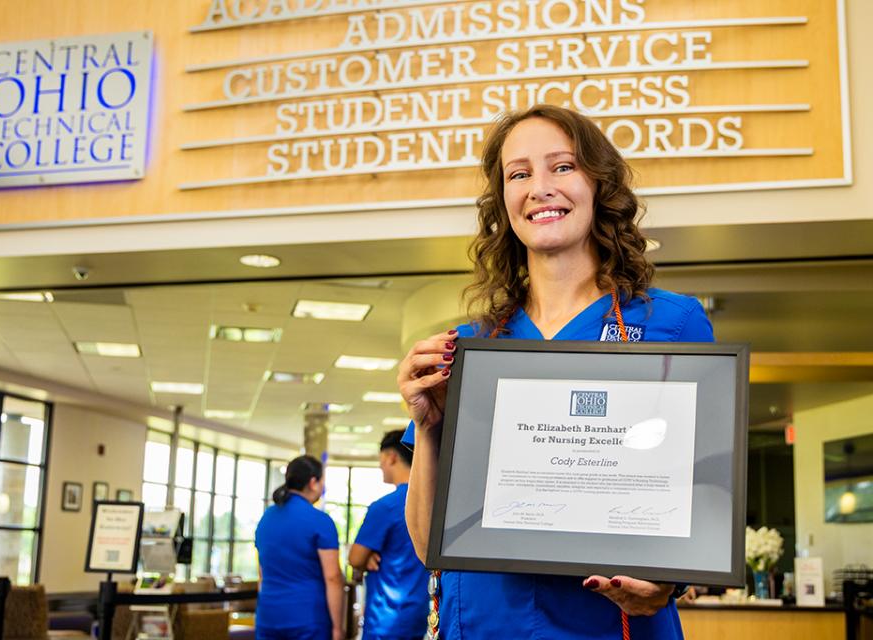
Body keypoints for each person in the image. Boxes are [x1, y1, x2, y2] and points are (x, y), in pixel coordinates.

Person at [397, 105, 714, 639]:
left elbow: (704, 494)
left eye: (562, 167)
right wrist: (428, 423)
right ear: (503, 201)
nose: (540, 187)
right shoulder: (470, 348)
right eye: (518, 174)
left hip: (607, 625)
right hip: (482, 622)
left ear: (598, 184)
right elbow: (432, 545)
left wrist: (667, 582)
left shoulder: (671, 324)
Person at [348, 430, 428, 640]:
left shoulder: (385, 507)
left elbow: (355, 558)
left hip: (386, 619)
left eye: (381, 459)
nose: (380, 466)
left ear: (391, 457)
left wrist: (367, 556)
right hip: (418, 614)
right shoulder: (431, 504)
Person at [254, 455, 344, 640]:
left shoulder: (266, 518)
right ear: (313, 482)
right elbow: (333, 578)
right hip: (307, 619)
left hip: (268, 616)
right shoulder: (320, 521)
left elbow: (262, 574)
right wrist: (337, 628)